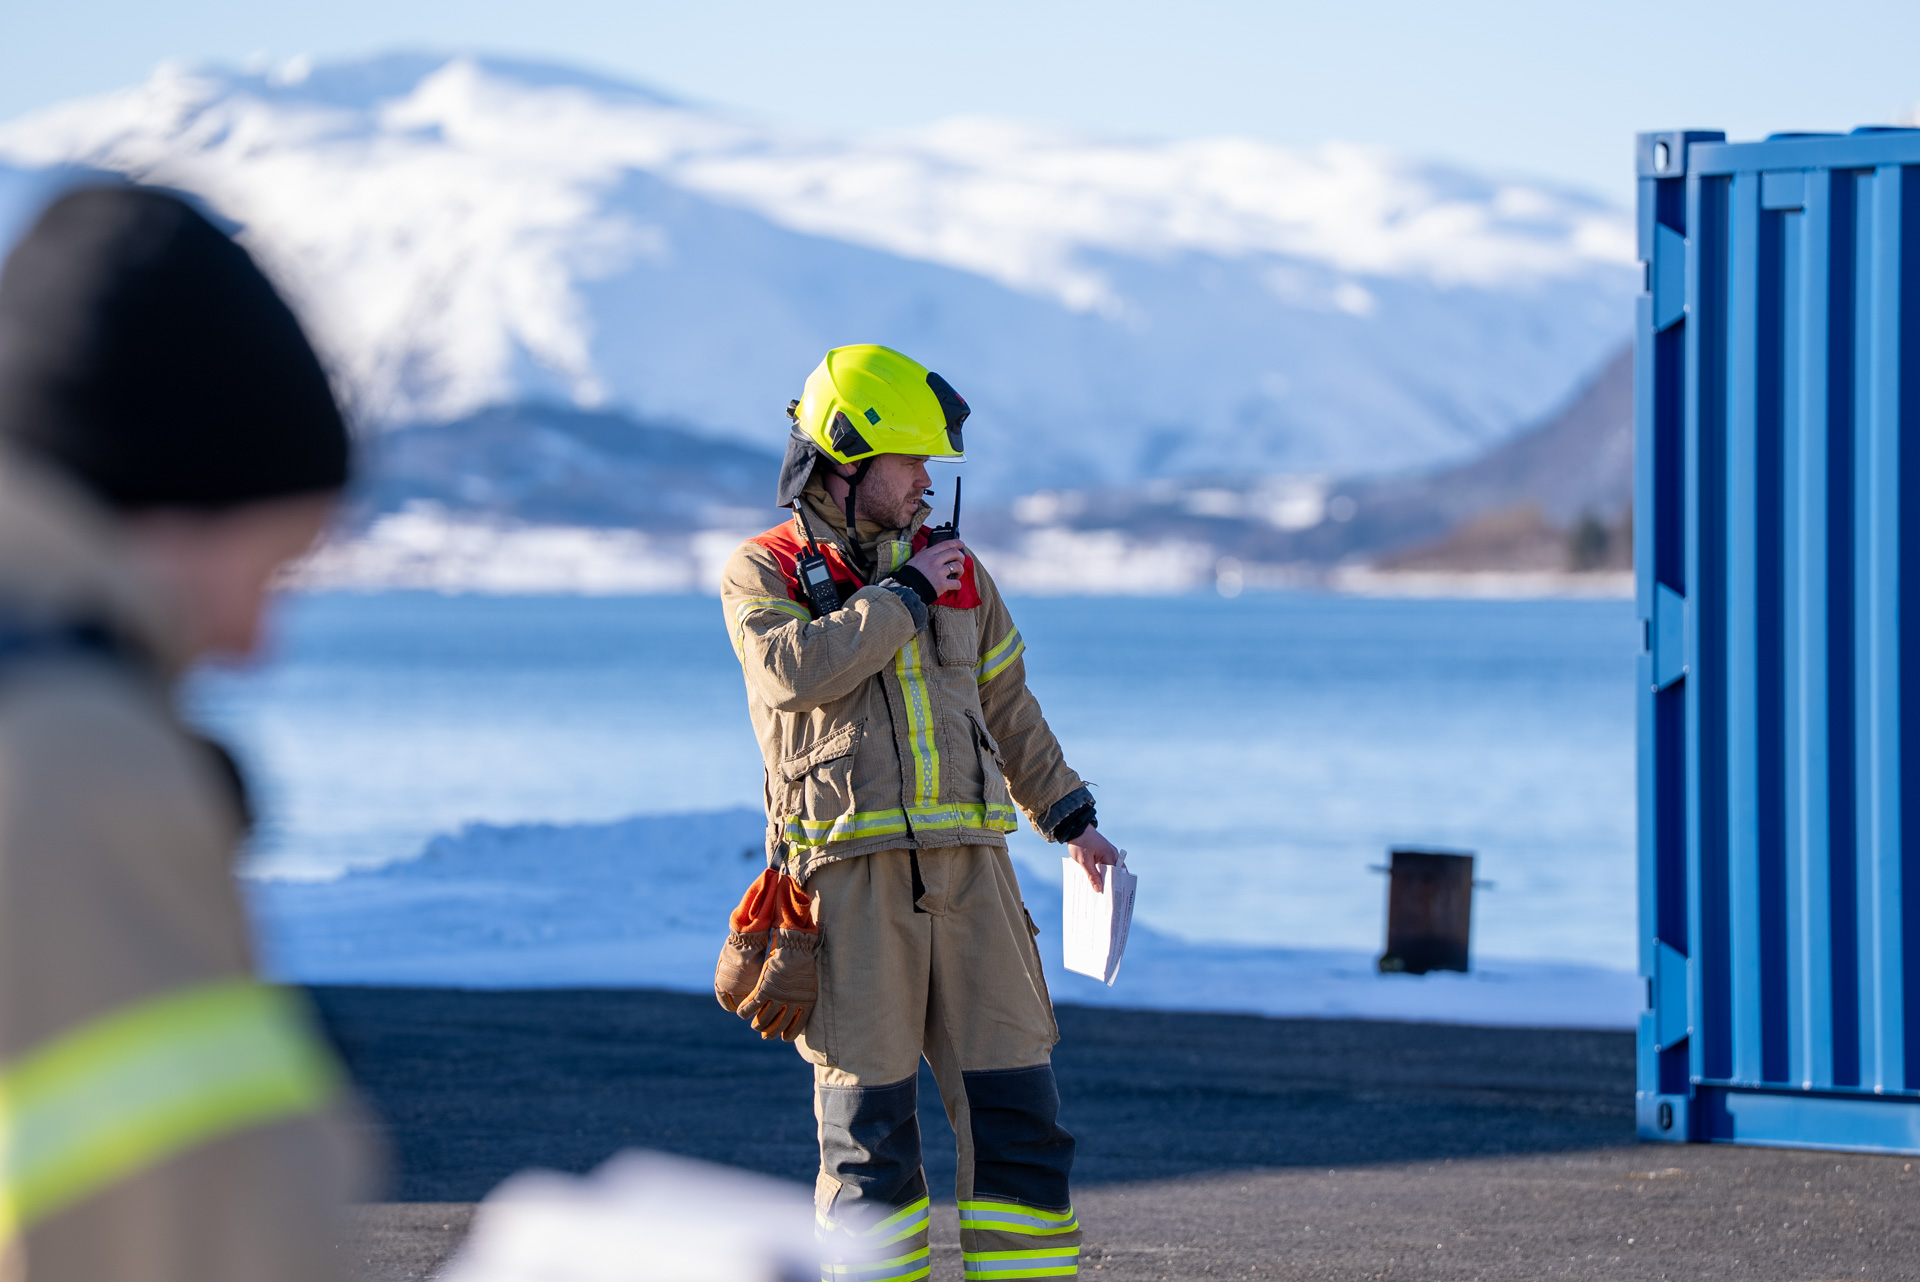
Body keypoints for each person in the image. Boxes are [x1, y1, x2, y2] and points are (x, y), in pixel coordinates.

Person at [0, 186, 370, 1281]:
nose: (256, 638)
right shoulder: (69, 756)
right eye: (268, 566)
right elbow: (187, 1225)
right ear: (165, 502)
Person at [717, 344, 1122, 1282]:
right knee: (870, 1144)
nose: (926, 484)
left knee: (1022, 1118)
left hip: (975, 878)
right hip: (848, 891)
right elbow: (792, 673)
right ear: (847, 463)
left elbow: (1009, 704)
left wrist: (1070, 818)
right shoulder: (762, 570)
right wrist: (903, 595)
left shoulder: (958, 568)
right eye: (910, 463)